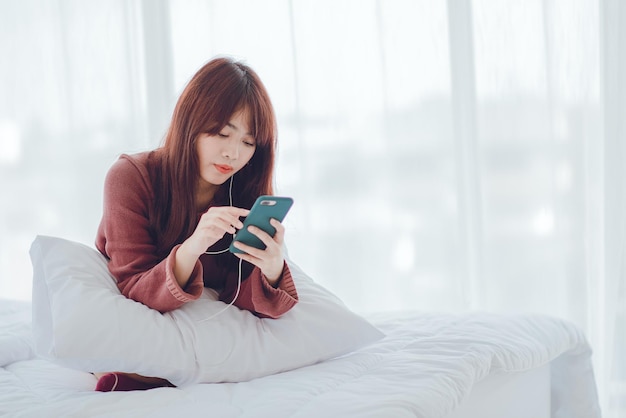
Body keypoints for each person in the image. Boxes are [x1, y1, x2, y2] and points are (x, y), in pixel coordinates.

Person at [93, 57, 299, 392]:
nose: (233, 153)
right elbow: (131, 285)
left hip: (207, 336)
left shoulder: (243, 192)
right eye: (222, 133)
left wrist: (272, 269)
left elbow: (239, 296)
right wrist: (193, 246)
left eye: (248, 142)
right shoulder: (130, 177)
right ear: (192, 120)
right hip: (141, 325)